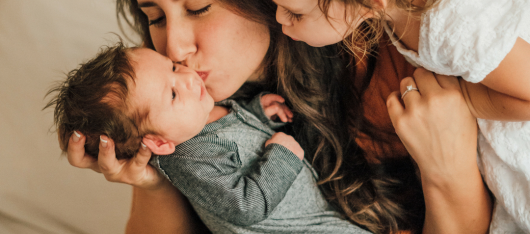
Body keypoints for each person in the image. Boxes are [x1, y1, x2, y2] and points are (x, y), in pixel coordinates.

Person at [63, 0, 492, 234]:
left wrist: (448, 172)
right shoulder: (183, 115)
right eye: (155, 18)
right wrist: (152, 180)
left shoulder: (391, 67)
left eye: (198, 7)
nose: (174, 46)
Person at [244, 0, 527, 229]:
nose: (279, 20)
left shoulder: (452, 18)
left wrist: (464, 100)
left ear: (368, 2)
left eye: (294, 12)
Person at [48, 42, 369, 233]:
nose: (187, 77)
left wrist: (257, 111)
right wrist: (282, 156)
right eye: (173, 94)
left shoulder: (198, 120)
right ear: (160, 144)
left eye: (173, 67)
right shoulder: (190, 158)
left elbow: (233, 134)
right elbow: (246, 205)